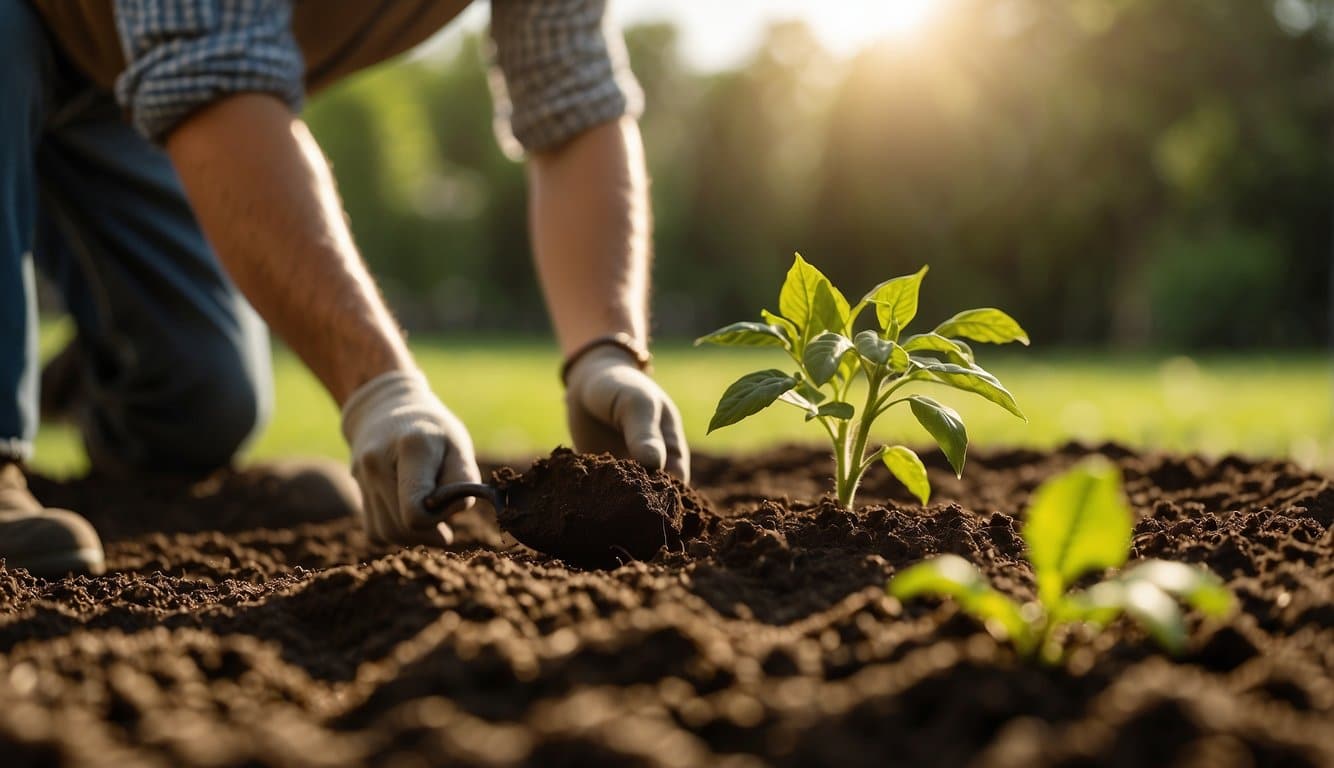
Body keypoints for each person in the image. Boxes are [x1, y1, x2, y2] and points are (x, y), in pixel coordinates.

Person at [1, 0, 690, 578]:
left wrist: (605, 350)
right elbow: (210, 76)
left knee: (200, 403)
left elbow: (571, 92)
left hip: (106, 77)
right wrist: (379, 385)